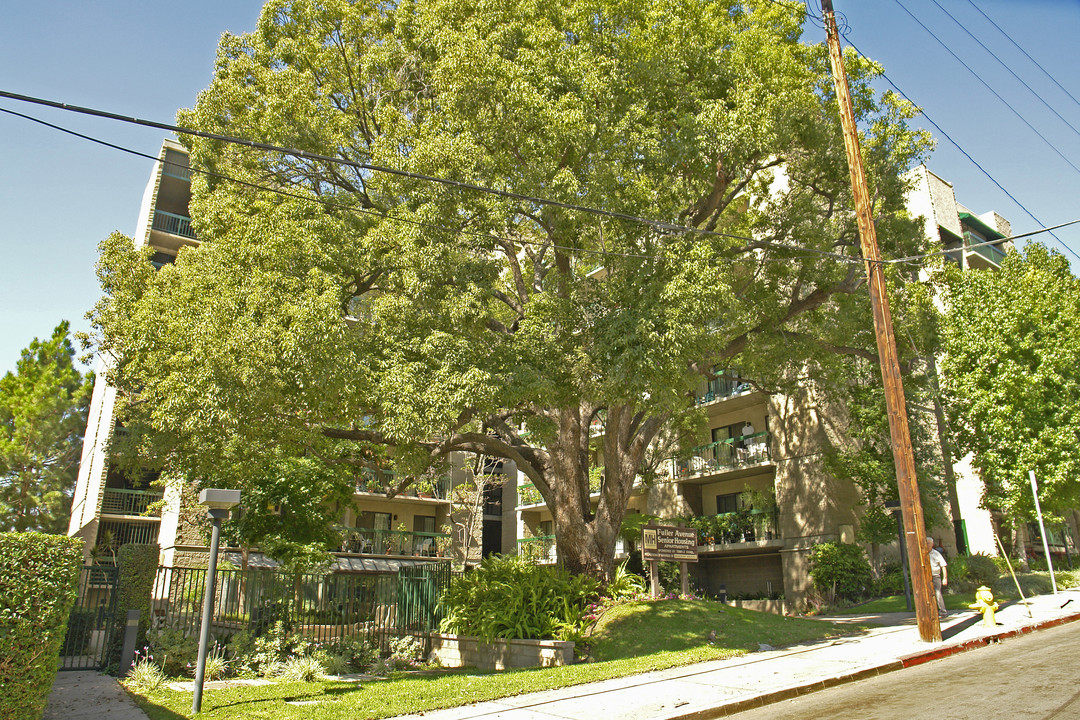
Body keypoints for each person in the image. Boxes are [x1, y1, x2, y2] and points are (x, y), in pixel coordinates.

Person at [927, 536, 948, 617]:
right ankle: (930, 611)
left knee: (938, 593)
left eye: (928, 543)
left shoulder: (936, 554)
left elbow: (943, 566)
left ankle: (943, 611)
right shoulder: (922, 553)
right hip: (926, 577)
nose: (927, 545)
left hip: (935, 576)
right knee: (927, 594)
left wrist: (945, 578)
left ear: (932, 544)